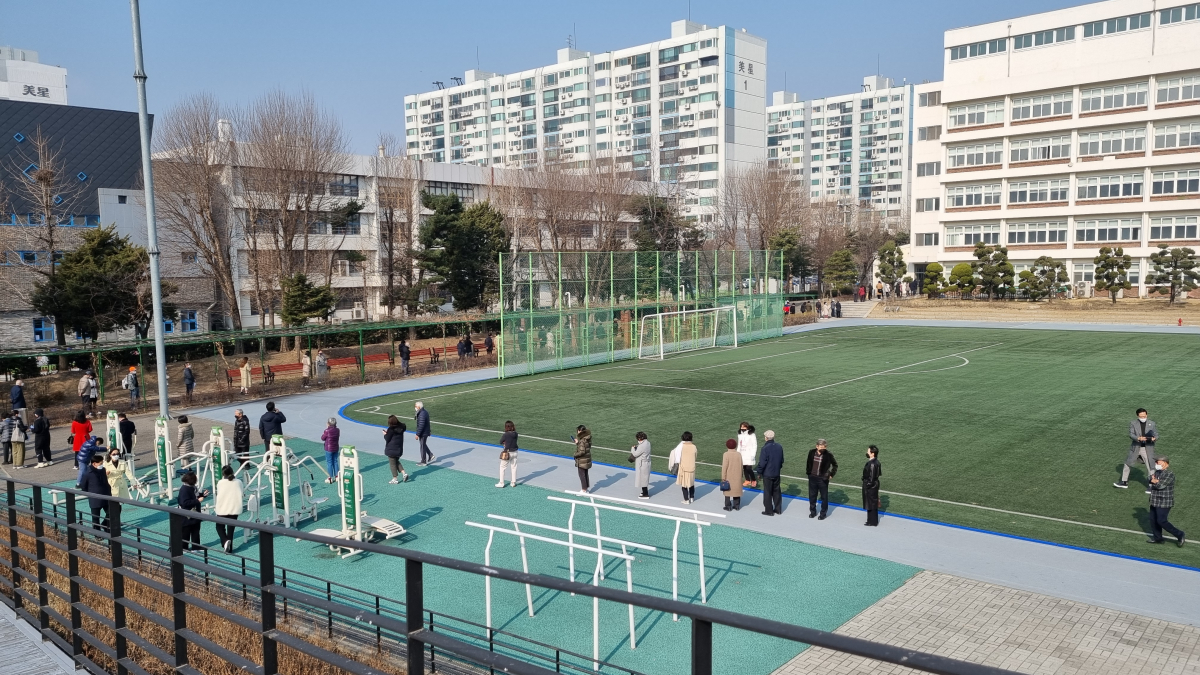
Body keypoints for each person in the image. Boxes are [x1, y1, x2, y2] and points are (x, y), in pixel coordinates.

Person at [1147, 456, 1185, 547]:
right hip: (1154, 501)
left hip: (1164, 502)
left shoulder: (1169, 474)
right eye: (1156, 462)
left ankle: (1180, 534)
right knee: (1153, 521)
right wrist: (1153, 480)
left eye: (1158, 462)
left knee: (1161, 521)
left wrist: (1154, 481)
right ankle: (1158, 538)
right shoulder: (1157, 472)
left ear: (1165, 463)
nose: (1156, 464)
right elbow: (1149, 479)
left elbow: (1161, 486)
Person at [1116, 408, 1157, 489]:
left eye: (1144, 416)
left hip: (1147, 448)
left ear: (1147, 415)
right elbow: (1131, 434)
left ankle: (1151, 485)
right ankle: (1124, 482)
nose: (1143, 418)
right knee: (1127, 463)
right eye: (1141, 416)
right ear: (1137, 416)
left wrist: (1154, 438)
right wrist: (1138, 438)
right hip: (1136, 447)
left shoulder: (1151, 423)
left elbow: (1156, 434)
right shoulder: (1133, 423)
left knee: (1150, 466)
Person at [214, 465, 244, 554]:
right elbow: (241, 493)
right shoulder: (239, 482)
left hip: (222, 507)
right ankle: (229, 548)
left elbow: (219, 493)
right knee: (231, 529)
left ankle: (224, 541)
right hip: (235, 508)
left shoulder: (220, 483)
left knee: (219, 527)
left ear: (223, 473)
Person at [806, 439, 838, 520]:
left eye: (824, 447)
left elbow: (835, 465)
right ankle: (812, 512)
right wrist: (809, 473)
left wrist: (831, 474)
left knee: (824, 497)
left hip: (822, 479)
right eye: (821, 447)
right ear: (817, 446)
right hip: (812, 477)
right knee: (812, 496)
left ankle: (823, 514)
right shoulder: (811, 452)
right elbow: (808, 463)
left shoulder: (828, 455)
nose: (823, 449)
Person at [81, 454, 113, 533]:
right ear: (94, 464)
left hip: (106, 496)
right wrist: (91, 494)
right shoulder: (87, 473)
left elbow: (105, 481)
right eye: (100, 463)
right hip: (95, 498)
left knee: (112, 512)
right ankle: (97, 533)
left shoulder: (102, 470)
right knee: (96, 517)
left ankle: (105, 525)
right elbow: (83, 486)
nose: (102, 465)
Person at [756, 430, 784, 516]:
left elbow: (762, 462)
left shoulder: (765, 448)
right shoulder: (779, 446)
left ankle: (769, 510)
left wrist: (759, 472)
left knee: (768, 492)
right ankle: (778, 509)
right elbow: (782, 460)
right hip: (776, 473)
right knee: (776, 491)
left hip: (768, 474)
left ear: (766, 438)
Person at [177, 472, 206, 551]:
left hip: (193, 514)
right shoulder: (184, 489)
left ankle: (195, 547)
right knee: (186, 533)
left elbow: (194, 495)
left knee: (195, 531)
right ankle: (184, 548)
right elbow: (184, 503)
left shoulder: (191, 487)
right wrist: (197, 501)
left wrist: (202, 495)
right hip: (187, 516)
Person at [670, 432, 698, 504]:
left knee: (684, 485)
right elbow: (695, 456)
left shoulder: (682, 446)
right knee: (691, 483)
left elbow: (677, 457)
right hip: (691, 467)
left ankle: (686, 500)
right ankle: (691, 497)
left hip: (684, 468)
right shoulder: (694, 446)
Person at [383, 415, 409, 484]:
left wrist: (385, 434)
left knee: (392, 464)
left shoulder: (391, 429)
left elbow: (387, 438)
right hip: (399, 448)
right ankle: (404, 473)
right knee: (396, 462)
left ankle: (395, 478)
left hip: (391, 449)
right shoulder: (401, 428)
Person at [720, 439, 744, 511]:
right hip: (737, 475)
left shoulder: (726, 454)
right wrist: (741, 475)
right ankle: (736, 506)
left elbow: (725, 466)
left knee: (727, 490)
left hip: (728, 476)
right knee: (736, 490)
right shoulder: (738, 454)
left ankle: (728, 506)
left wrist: (723, 476)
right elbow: (741, 465)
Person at [862, 445, 882, 527]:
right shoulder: (875, 462)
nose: (867, 452)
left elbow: (872, 477)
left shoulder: (873, 464)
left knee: (871, 503)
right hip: (873, 485)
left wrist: (867, 485)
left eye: (868, 451)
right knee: (871, 503)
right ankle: (870, 520)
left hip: (871, 486)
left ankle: (872, 521)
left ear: (872, 453)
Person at [497, 421, 519, 488]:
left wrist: (504, 442)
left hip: (507, 452)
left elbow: (500, 441)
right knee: (514, 467)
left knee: (502, 467)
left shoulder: (506, 434)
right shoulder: (516, 434)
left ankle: (501, 483)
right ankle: (513, 482)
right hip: (515, 452)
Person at [573, 425, 593, 493]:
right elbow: (586, 447)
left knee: (581, 474)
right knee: (585, 473)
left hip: (582, 460)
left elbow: (582, 451)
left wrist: (575, 454)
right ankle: (586, 488)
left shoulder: (582, 441)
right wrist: (578, 443)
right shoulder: (587, 438)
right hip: (586, 459)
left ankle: (583, 490)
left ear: (580, 431)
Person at [631, 431, 652, 499]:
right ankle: (644, 492)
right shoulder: (648, 443)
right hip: (647, 462)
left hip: (642, 464)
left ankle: (645, 494)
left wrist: (633, 449)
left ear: (640, 438)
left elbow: (635, 454)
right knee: (644, 478)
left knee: (643, 479)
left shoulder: (642, 446)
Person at [737, 422, 758, 488]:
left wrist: (753, 454)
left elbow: (754, 445)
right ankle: (747, 480)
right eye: (741, 427)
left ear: (747, 427)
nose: (742, 428)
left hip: (749, 454)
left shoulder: (752, 435)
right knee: (744, 467)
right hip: (742, 453)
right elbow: (739, 444)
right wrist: (738, 453)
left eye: (744, 427)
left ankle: (753, 480)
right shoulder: (740, 434)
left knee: (749, 468)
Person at [414, 401, 435, 465]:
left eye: (416, 406)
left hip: (423, 433)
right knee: (423, 444)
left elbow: (421, 425)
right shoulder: (424, 412)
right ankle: (430, 455)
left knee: (422, 446)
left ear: (419, 407)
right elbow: (427, 423)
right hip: (425, 431)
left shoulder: (422, 414)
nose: (415, 407)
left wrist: (417, 434)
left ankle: (423, 461)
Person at [321, 418, 340, 483]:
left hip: (328, 448)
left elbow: (322, 438)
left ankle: (330, 477)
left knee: (329, 462)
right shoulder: (337, 430)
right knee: (335, 461)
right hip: (336, 447)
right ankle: (337, 476)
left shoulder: (327, 431)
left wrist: (327, 429)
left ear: (328, 424)